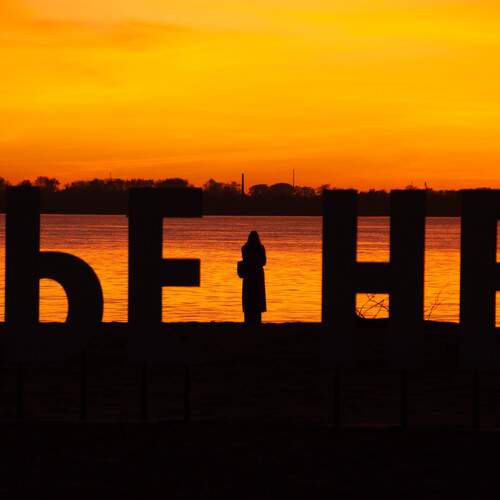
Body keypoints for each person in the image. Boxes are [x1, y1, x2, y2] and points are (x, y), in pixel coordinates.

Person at [240, 231, 267, 324]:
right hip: (257, 275)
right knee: (257, 297)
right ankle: (257, 320)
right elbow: (264, 262)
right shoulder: (261, 248)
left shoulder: (244, 248)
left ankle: (247, 319)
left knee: (248, 297)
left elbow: (245, 259)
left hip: (248, 275)